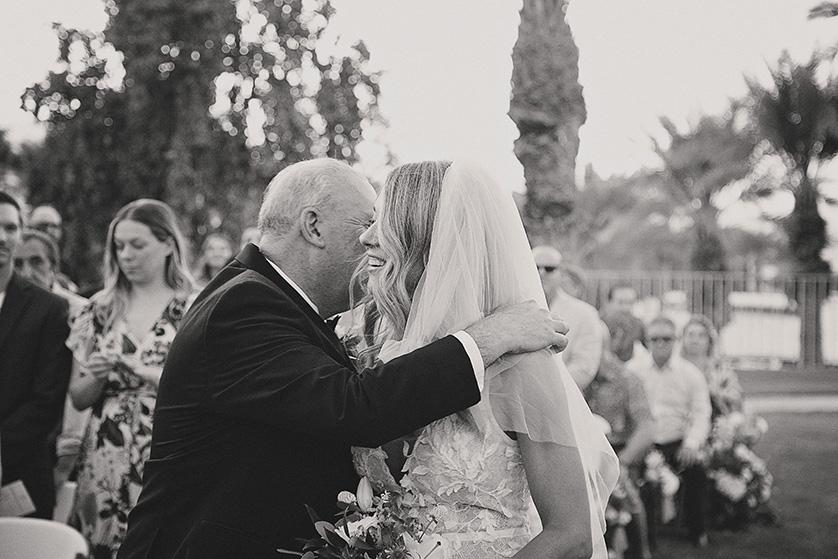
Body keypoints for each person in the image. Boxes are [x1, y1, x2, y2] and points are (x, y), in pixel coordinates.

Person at [117, 158, 569, 559]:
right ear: (313, 227)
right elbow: (354, 408)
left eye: (383, 225)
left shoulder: (271, 300)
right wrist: (489, 336)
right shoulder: (244, 307)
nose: (373, 240)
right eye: (364, 223)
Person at [352, 161, 619, 558]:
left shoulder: (523, 366)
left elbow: (571, 536)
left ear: (429, 239)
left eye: (385, 222)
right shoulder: (384, 350)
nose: (366, 237)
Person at [66, 199, 196, 558]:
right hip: (105, 453)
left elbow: (205, 391)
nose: (126, 255)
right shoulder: (98, 309)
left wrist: (150, 375)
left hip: (165, 448)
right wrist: (96, 375)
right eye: (119, 246)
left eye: (137, 245)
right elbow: (78, 397)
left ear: (168, 244)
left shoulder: (194, 309)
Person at [0, 191, 73, 519]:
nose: (2, 237)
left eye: (11, 227)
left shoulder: (50, 309)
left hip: (21, 475)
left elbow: (47, 399)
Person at [13, 228, 90, 491]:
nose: (26, 272)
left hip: (65, 448)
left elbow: (77, 394)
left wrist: (64, 464)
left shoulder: (77, 312)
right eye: (17, 263)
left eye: (36, 262)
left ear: (53, 267)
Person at [632, 316, 712, 548]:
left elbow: (701, 413)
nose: (660, 343)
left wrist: (692, 443)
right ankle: (641, 536)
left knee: (696, 470)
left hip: (676, 443)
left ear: (675, 340)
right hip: (643, 443)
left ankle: (697, 531)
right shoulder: (634, 371)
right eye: (654, 339)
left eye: (666, 338)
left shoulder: (690, 374)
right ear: (646, 342)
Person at [584, 321, 655, 559]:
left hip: (618, 451)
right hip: (582, 452)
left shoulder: (627, 380)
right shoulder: (578, 378)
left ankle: (640, 552)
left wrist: (622, 462)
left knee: (624, 490)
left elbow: (646, 428)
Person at [532, 244, 603, 389]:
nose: (541, 273)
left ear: (562, 273)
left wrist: (548, 389)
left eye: (549, 269)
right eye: (535, 267)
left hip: (565, 397)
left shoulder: (585, 314)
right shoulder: (512, 311)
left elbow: (584, 367)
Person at [680, 315, 743, 418]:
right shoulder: (676, 366)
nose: (695, 340)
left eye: (701, 335)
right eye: (691, 335)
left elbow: (736, 397)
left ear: (709, 341)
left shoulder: (720, 369)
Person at [28, 204, 79, 293]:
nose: (50, 230)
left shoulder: (67, 266)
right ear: (30, 228)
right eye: (43, 226)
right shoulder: (19, 255)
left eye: (54, 226)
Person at [601, 283, 647, 364]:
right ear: (608, 303)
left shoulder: (638, 325)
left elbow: (649, 348)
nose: (625, 308)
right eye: (620, 303)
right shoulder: (598, 323)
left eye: (630, 303)